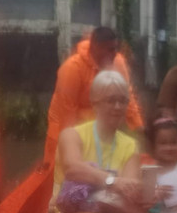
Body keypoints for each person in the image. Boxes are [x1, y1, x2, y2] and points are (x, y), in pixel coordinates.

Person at [43, 70, 152, 213]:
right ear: (95, 102)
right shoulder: (72, 135)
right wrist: (113, 181)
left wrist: (147, 195)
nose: (118, 107)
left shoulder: (130, 145)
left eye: (123, 101)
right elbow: (73, 169)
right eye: (111, 100)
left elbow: (128, 192)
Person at [43, 26, 144, 165]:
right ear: (95, 47)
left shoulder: (118, 62)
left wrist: (138, 128)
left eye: (115, 48)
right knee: (62, 172)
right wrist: (72, 147)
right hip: (63, 128)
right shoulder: (72, 68)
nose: (115, 54)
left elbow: (127, 96)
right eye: (109, 49)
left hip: (99, 129)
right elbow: (67, 113)